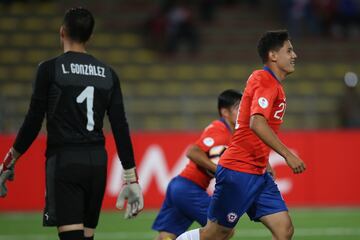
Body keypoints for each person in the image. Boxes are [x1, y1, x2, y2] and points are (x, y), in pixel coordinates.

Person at [0, 7, 144, 240]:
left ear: (62, 31)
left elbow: (33, 121)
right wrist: (131, 176)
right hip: (97, 163)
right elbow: (120, 127)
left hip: (65, 161)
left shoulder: (50, 69)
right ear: (90, 37)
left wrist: (9, 161)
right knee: (86, 237)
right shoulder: (108, 74)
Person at [177, 30, 306, 240]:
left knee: (284, 229)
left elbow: (248, 126)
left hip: (257, 172)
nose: (295, 55)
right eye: (289, 50)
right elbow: (257, 122)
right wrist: (287, 155)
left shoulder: (273, 84)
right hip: (238, 172)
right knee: (217, 234)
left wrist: (264, 160)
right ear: (273, 55)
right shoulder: (264, 79)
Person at [152, 89, 242, 240]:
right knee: (223, 229)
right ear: (225, 112)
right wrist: (218, 170)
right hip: (188, 188)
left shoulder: (231, 132)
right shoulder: (219, 130)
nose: (243, 111)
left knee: (166, 236)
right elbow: (192, 151)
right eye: (238, 107)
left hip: (179, 186)